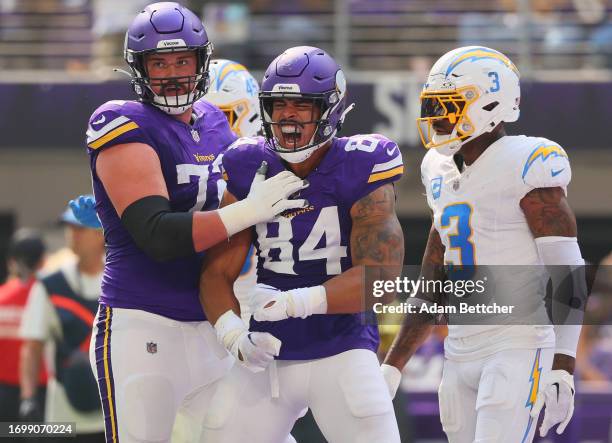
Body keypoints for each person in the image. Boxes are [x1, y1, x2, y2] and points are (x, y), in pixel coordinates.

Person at [84, 3, 307, 442]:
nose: (172, 73)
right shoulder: (122, 120)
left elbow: (240, 234)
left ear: (202, 62)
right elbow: (158, 235)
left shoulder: (215, 125)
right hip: (142, 325)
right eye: (159, 62)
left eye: (182, 60)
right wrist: (248, 209)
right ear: (139, 68)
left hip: (210, 330)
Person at [199, 45, 404, 443]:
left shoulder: (362, 163)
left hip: (342, 350)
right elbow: (216, 272)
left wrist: (295, 303)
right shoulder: (246, 163)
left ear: (330, 110)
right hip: (268, 354)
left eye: (302, 105)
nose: (288, 115)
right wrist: (233, 337)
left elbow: (381, 281)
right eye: (279, 104)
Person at [382, 46, 585, 442]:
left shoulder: (527, 161)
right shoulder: (437, 168)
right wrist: (392, 365)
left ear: (491, 105)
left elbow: (568, 271)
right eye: (433, 105)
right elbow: (433, 281)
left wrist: (563, 363)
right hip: (458, 349)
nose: (436, 117)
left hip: (518, 342)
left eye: (449, 105)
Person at [20, 208, 105, 441]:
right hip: (63, 416)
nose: (72, 235)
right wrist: (28, 397)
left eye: (80, 228)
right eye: (69, 229)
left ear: (101, 234)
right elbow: (32, 347)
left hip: (113, 413)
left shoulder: (122, 281)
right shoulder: (49, 284)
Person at [0, 229, 47, 422]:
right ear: (43, 261)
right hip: (41, 393)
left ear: (11, 260)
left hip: (4, 394)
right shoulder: (50, 296)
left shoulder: (1, 297)